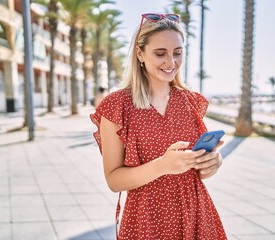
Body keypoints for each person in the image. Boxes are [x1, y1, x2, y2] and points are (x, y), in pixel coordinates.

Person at [90, 13, 227, 240]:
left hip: (196, 214)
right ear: (140, 53)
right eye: (160, 53)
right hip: (146, 221)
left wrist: (212, 163)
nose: (171, 62)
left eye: (177, 53)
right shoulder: (117, 105)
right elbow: (114, 181)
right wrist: (162, 165)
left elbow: (199, 173)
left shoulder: (190, 101)